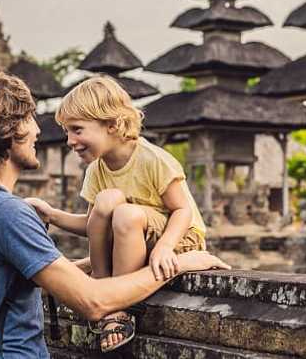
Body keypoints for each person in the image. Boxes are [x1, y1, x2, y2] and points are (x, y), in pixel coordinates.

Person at [0, 73, 229, 357]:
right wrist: (181, 264)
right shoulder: (5, 212)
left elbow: (15, 275)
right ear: (8, 131)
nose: (39, 130)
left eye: (75, 129)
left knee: (117, 206)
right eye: (29, 119)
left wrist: (73, 256)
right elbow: (93, 300)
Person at [25, 76, 208, 351]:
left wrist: (165, 248)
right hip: (136, 239)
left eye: (77, 130)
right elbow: (92, 225)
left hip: (180, 240)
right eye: (67, 132)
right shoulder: (97, 169)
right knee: (109, 200)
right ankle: (102, 280)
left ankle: (118, 308)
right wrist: (51, 215)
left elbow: (182, 211)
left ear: (111, 125)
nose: (70, 141)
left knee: (124, 214)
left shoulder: (152, 159)